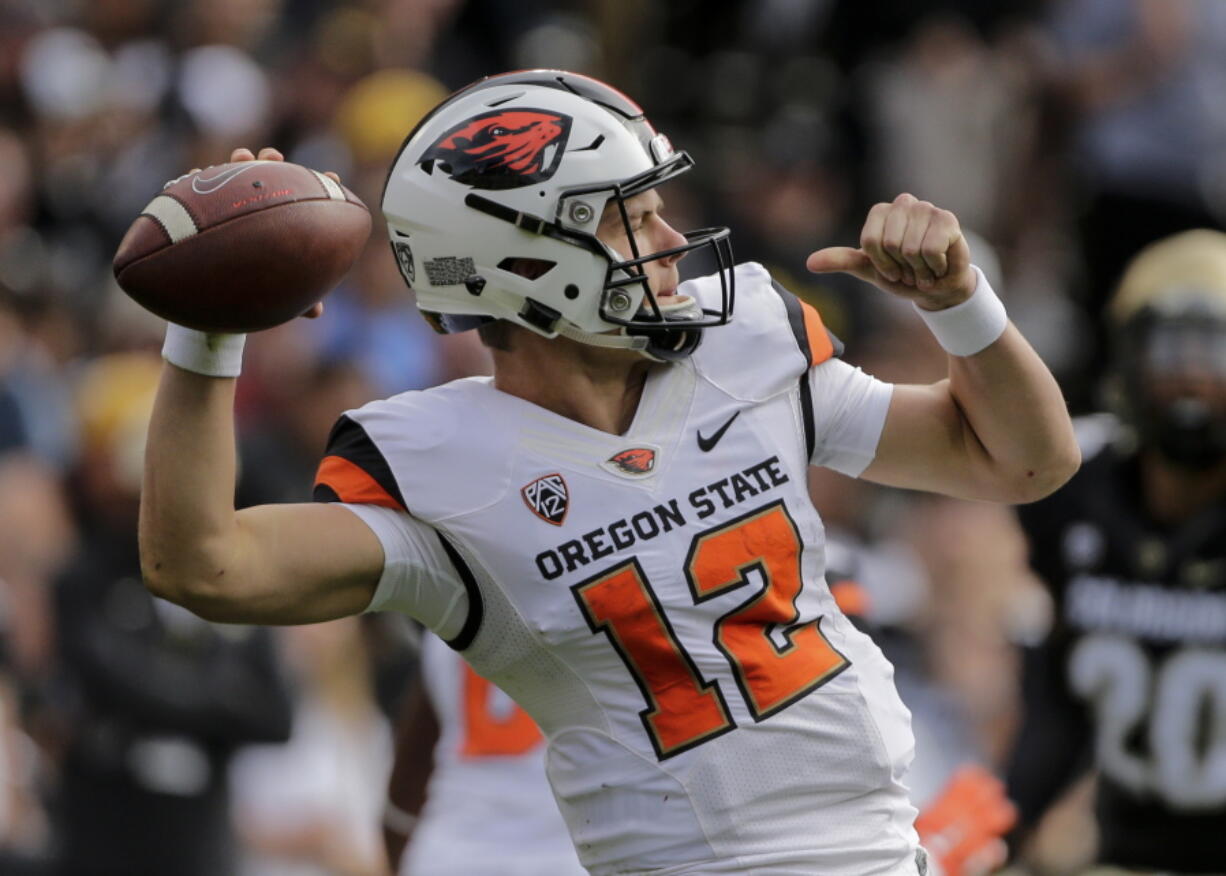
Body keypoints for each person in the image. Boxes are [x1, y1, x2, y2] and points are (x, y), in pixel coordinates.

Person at [140, 69, 1079, 875]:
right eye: (632, 218)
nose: (671, 242)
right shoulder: (440, 466)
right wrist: (208, 331)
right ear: (525, 262)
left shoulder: (748, 348)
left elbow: (1027, 460)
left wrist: (961, 306)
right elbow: (202, 564)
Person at [1005, 229, 1226, 873]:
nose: (1191, 378)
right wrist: (1006, 822)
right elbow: (1051, 694)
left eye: (1215, 353)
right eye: (1169, 348)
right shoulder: (1070, 487)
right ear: (1129, 358)